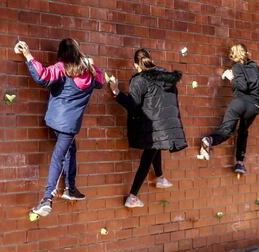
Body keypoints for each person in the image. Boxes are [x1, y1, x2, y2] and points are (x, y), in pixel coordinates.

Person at [15, 38, 104, 216]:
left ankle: (70, 187)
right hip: (69, 125)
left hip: (55, 120)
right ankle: (47, 198)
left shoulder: (61, 68)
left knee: (70, 149)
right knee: (59, 157)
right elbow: (101, 82)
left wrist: (28, 55)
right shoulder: (90, 73)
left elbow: (42, 76)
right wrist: (92, 65)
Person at [108, 49, 187, 208]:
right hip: (165, 123)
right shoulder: (166, 76)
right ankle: (159, 177)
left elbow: (133, 106)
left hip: (151, 124)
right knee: (154, 147)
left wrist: (116, 92)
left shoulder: (139, 79)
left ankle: (132, 196)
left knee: (146, 159)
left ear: (135, 65)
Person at [199, 43, 259, 174]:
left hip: (239, 103)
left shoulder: (237, 66)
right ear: (246, 53)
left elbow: (242, 86)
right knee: (243, 131)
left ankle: (209, 140)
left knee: (227, 130)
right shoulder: (255, 67)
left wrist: (231, 77)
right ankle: (240, 163)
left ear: (233, 55)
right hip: (254, 106)